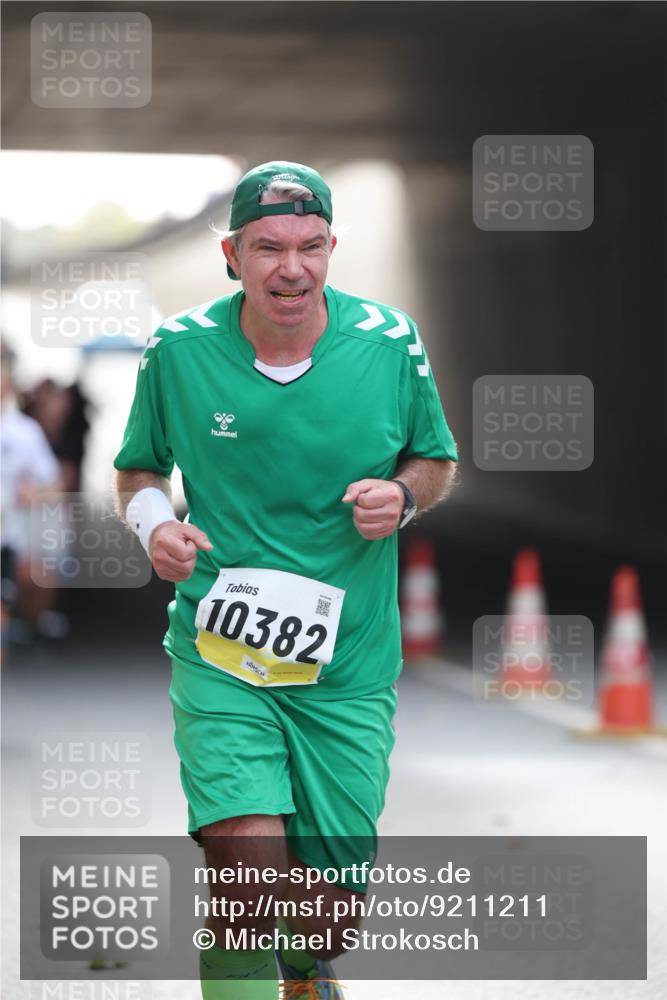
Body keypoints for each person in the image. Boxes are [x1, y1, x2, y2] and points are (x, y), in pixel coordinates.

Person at [114, 161, 458, 1000]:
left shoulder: (389, 343)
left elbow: (434, 458)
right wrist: (155, 527)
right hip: (222, 653)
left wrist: (403, 497)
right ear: (232, 255)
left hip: (347, 667)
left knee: (328, 919)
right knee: (244, 874)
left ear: (332, 247)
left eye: (309, 247)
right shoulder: (179, 350)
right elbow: (137, 471)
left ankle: (305, 964)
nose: (291, 268)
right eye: (268, 248)